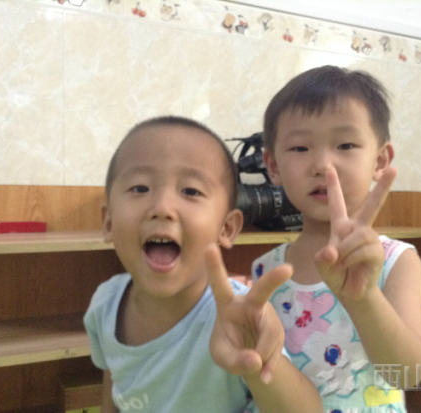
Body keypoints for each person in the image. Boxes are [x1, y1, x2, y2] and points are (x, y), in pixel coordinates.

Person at [83, 116, 322, 413]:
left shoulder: (237, 313)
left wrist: (257, 364)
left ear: (227, 228)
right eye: (140, 188)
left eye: (191, 191)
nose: (162, 208)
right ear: (108, 222)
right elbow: (115, 381)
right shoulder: (105, 304)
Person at [251, 66, 421, 412]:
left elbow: (408, 374)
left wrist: (363, 298)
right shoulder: (265, 270)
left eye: (345, 145)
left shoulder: (397, 261)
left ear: (380, 160)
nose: (323, 165)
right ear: (273, 166)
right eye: (300, 147)